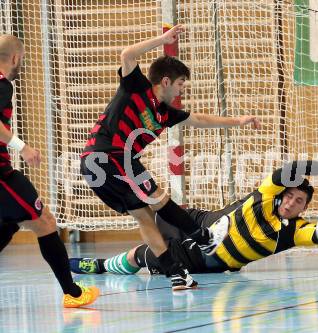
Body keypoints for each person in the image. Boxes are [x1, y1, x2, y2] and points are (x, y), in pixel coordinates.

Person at [80, 25, 260, 290]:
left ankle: (176, 273)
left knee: (144, 216)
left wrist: (239, 120)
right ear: (165, 81)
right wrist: (163, 40)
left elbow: (199, 119)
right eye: (179, 84)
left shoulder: (166, 113)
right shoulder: (136, 87)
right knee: (159, 200)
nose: (181, 91)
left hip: (108, 164)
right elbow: (127, 54)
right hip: (108, 157)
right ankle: (204, 237)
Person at [70, 159, 318, 276]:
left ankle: (99, 267)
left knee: (148, 255)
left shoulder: (293, 233)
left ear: (304, 210)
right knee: (157, 213)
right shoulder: (267, 195)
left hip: (207, 259)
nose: (292, 203)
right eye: (290, 196)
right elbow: (288, 170)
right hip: (198, 221)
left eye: (299, 202)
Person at [0, 34, 99, 308]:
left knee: (9, 222)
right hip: (1, 175)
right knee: (44, 221)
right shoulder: (2, 84)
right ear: (16, 58)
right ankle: (73, 293)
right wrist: (22, 147)